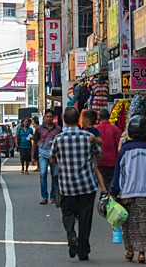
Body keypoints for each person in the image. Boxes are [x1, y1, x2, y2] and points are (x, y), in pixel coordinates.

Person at [111, 115, 146, 264]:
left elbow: (119, 171)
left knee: (129, 224)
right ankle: (142, 253)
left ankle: (130, 251)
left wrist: (114, 191)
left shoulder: (126, 149)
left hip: (128, 192)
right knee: (145, 225)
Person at [50, 107, 102, 261]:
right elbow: (100, 155)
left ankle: (72, 236)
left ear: (63, 119)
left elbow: (52, 159)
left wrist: (63, 162)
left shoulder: (59, 139)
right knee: (86, 218)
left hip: (67, 185)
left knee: (68, 214)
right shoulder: (88, 136)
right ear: (78, 118)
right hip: (87, 184)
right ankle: (83, 250)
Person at [32, 109, 62, 204]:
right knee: (43, 174)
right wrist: (32, 156)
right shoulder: (39, 129)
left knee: (54, 175)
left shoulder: (58, 129)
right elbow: (34, 143)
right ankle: (44, 196)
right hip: (43, 154)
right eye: (47, 116)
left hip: (54, 155)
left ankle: (53, 196)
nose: (49, 118)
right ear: (44, 117)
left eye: (50, 117)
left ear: (53, 118)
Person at [81, 109, 108, 191]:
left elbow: (100, 141)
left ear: (87, 120)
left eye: (82, 119)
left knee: (95, 169)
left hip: (93, 154)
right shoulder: (83, 129)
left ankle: (103, 188)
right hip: (86, 153)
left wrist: (94, 139)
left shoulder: (94, 131)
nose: (81, 121)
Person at [95, 108, 121, 191]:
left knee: (103, 184)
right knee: (112, 184)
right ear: (109, 117)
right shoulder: (115, 129)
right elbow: (118, 145)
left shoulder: (95, 129)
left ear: (99, 117)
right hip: (113, 161)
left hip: (99, 161)